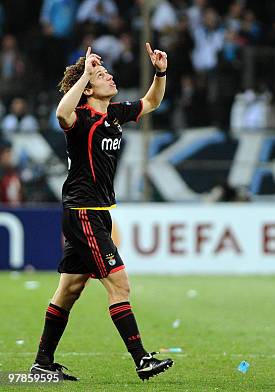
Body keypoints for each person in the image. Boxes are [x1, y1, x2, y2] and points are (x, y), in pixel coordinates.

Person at [30, 44, 173, 381]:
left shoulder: (114, 113)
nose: (110, 75)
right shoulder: (80, 118)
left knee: (69, 290)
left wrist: (161, 73)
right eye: (101, 74)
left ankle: (42, 363)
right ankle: (141, 360)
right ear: (88, 88)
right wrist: (84, 75)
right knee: (120, 286)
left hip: (95, 213)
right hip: (83, 212)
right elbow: (61, 114)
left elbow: (152, 101)